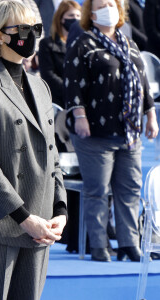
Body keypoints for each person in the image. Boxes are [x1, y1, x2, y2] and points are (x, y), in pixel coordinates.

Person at [0, 1, 67, 299]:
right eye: (21, 29)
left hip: (40, 223)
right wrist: (24, 218)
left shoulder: (41, 87)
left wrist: (60, 209)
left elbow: (52, 156)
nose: (29, 35)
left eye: (36, 28)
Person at [63, 0, 158, 262]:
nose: (109, 9)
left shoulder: (129, 43)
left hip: (129, 132)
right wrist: (80, 115)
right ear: (90, 14)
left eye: (112, 4)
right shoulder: (83, 44)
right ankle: (99, 245)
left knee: (129, 188)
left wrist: (150, 115)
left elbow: (143, 84)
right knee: (98, 190)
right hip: (94, 132)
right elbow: (72, 85)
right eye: (102, 5)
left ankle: (129, 243)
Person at [38, 0, 81, 107]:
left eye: (78, 15)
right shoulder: (47, 44)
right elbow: (48, 75)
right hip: (58, 102)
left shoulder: (84, 45)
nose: (75, 18)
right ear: (61, 18)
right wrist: (72, 91)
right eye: (71, 15)